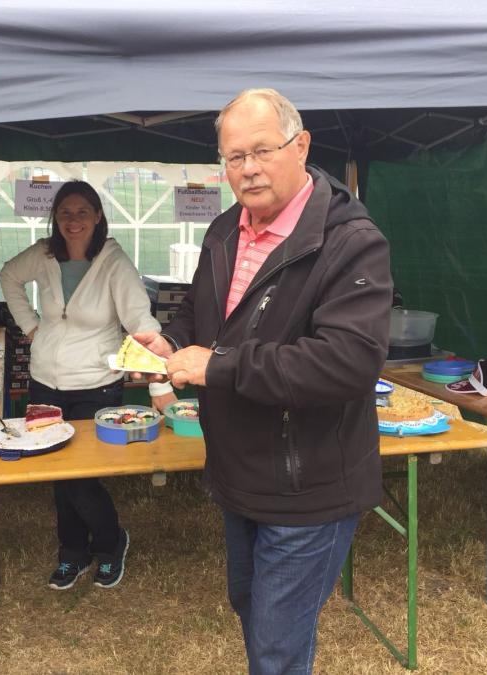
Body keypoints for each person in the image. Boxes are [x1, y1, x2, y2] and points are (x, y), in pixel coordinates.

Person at [135, 89, 393, 673]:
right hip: (237, 472)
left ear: (300, 146)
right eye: (233, 157)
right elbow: (204, 316)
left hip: (309, 487)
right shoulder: (226, 229)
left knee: (276, 645)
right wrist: (171, 343)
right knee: (252, 610)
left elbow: (348, 362)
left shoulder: (351, 242)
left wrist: (217, 365)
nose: (247, 169)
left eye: (262, 151)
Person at [0, 180, 176, 591]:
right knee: (58, 474)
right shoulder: (44, 254)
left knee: (81, 475)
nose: (73, 221)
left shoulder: (114, 262)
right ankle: (72, 555)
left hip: (96, 384)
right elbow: (9, 275)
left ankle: (111, 544)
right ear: (54, 218)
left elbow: (141, 321)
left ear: (97, 216)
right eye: (65, 213)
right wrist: (30, 326)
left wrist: (158, 372)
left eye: (82, 212)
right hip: (44, 382)